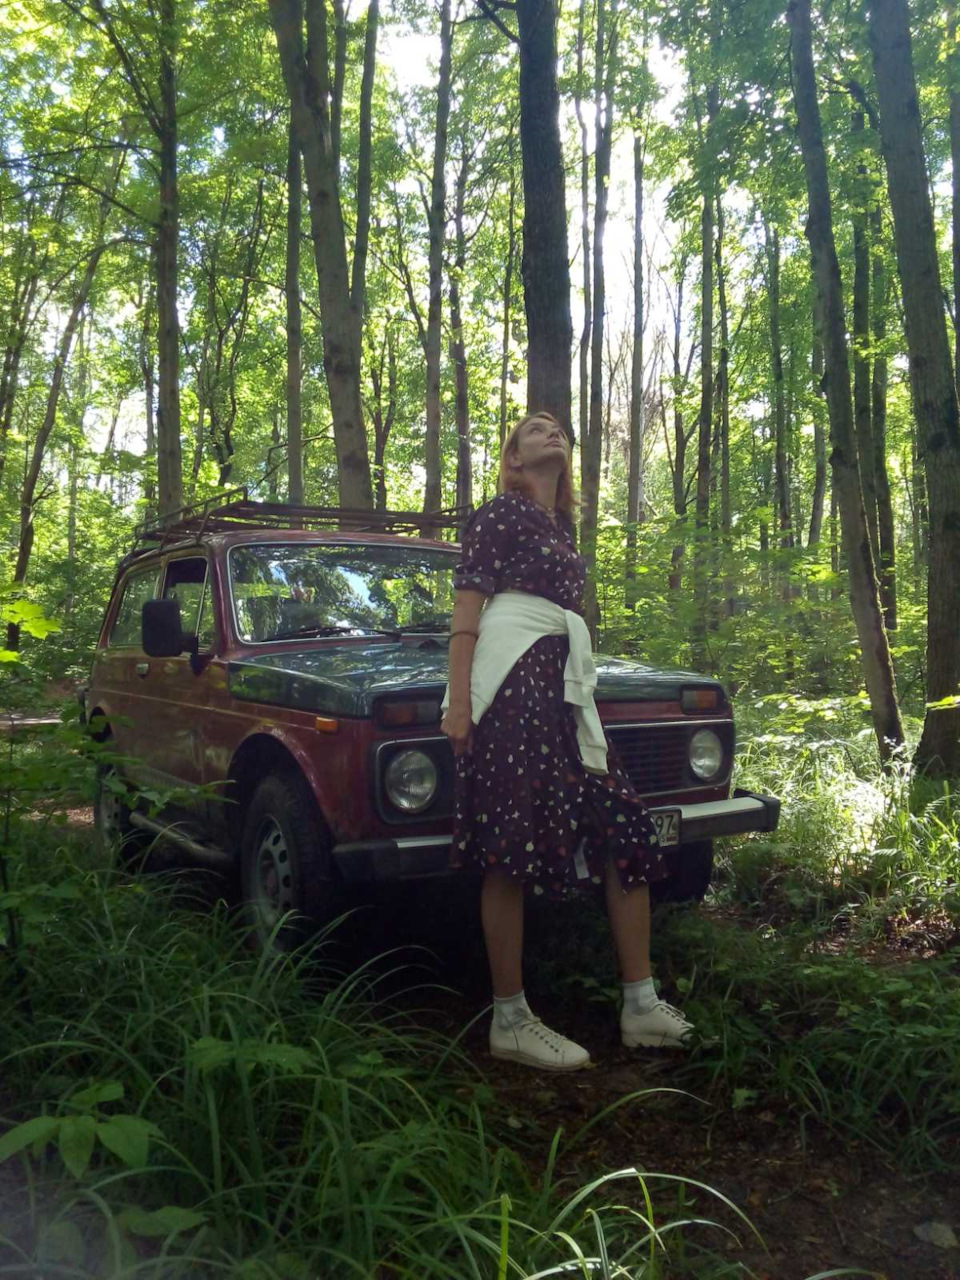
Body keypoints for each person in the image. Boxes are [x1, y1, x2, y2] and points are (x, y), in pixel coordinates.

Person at [440, 411, 695, 1072]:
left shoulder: (562, 527)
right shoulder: (499, 513)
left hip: (563, 692)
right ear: (514, 461)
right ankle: (512, 1019)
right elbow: (468, 608)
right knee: (511, 841)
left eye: (556, 427)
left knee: (625, 826)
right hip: (513, 685)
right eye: (531, 428)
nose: (549, 430)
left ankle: (641, 1005)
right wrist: (461, 704)